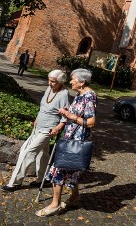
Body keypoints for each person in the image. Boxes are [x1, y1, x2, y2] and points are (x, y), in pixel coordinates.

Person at [36, 68, 96, 217]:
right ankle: (75, 197)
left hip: (77, 140)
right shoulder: (79, 94)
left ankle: (55, 204)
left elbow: (91, 122)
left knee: (59, 169)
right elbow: (77, 113)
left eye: (73, 79)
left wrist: (70, 115)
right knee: (71, 169)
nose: (70, 81)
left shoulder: (89, 97)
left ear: (82, 82)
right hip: (70, 136)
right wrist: (67, 112)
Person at [2, 69, 70, 192]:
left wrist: (58, 128)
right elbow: (43, 106)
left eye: (53, 81)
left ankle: (15, 182)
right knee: (42, 154)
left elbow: (65, 116)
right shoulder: (49, 88)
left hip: (49, 129)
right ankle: (43, 179)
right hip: (38, 126)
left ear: (60, 82)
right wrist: (37, 118)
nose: (49, 83)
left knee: (27, 151)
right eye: (49, 80)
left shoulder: (64, 94)